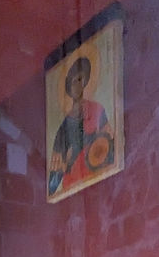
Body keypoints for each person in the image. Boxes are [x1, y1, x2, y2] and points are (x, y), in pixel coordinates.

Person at [47, 54, 114, 196]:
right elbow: (53, 182)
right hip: (73, 187)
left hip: (99, 181)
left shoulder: (97, 110)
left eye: (82, 79)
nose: (79, 85)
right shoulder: (63, 129)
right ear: (68, 86)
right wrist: (63, 166)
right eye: (75, 80)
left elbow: (110, 146)